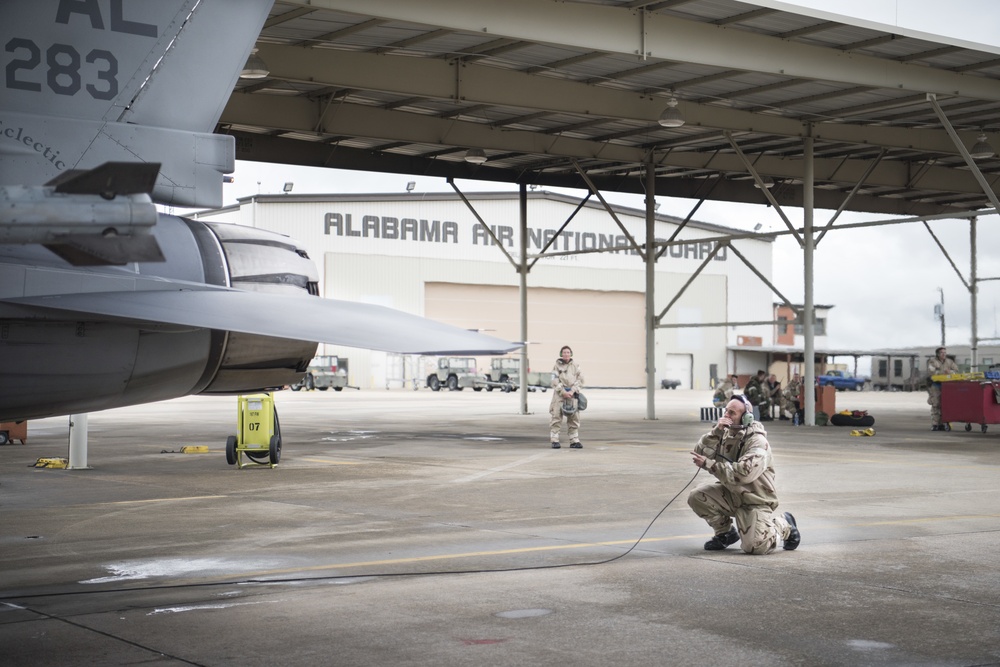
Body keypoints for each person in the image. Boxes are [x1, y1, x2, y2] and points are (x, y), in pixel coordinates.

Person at [688, 395, 800, 554]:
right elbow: (700, 452)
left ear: (746, 417)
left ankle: (784, 524)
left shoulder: (757, 441)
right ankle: (725, 533)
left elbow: (744, 474)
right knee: (697, 496)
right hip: (733, 494)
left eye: (732, 413)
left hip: (755, 499)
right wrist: (716, 432)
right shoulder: (725, 433)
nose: (726, 416)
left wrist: (709, 465)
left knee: (755, 546)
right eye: (726, 411)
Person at [550, 345, 584, 448]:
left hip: (572, 395)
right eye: (564, 352)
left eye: (568, 352)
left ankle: (574, 440)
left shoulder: (576, 365)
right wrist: (563, 391)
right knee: (556, 417)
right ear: (561, 354)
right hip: (559, 395)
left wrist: (572, 391)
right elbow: (554, 380)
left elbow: (580, 379)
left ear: (571, 354)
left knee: (574, 418)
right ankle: (554, 440)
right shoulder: (556, 366)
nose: (566, 354)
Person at [927, 346, 959, 431]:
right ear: (937, 354)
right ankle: (935, 424)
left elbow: (956, 370)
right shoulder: (933, 361)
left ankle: (943, 423)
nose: (944, 354)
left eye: (945, 352)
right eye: (942, 353)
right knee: (936, 404)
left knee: (945, 404)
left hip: (947, 386)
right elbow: (931, 372)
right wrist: (943, 372)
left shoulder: (949, 361)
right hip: (936, 386)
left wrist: (950, 372)